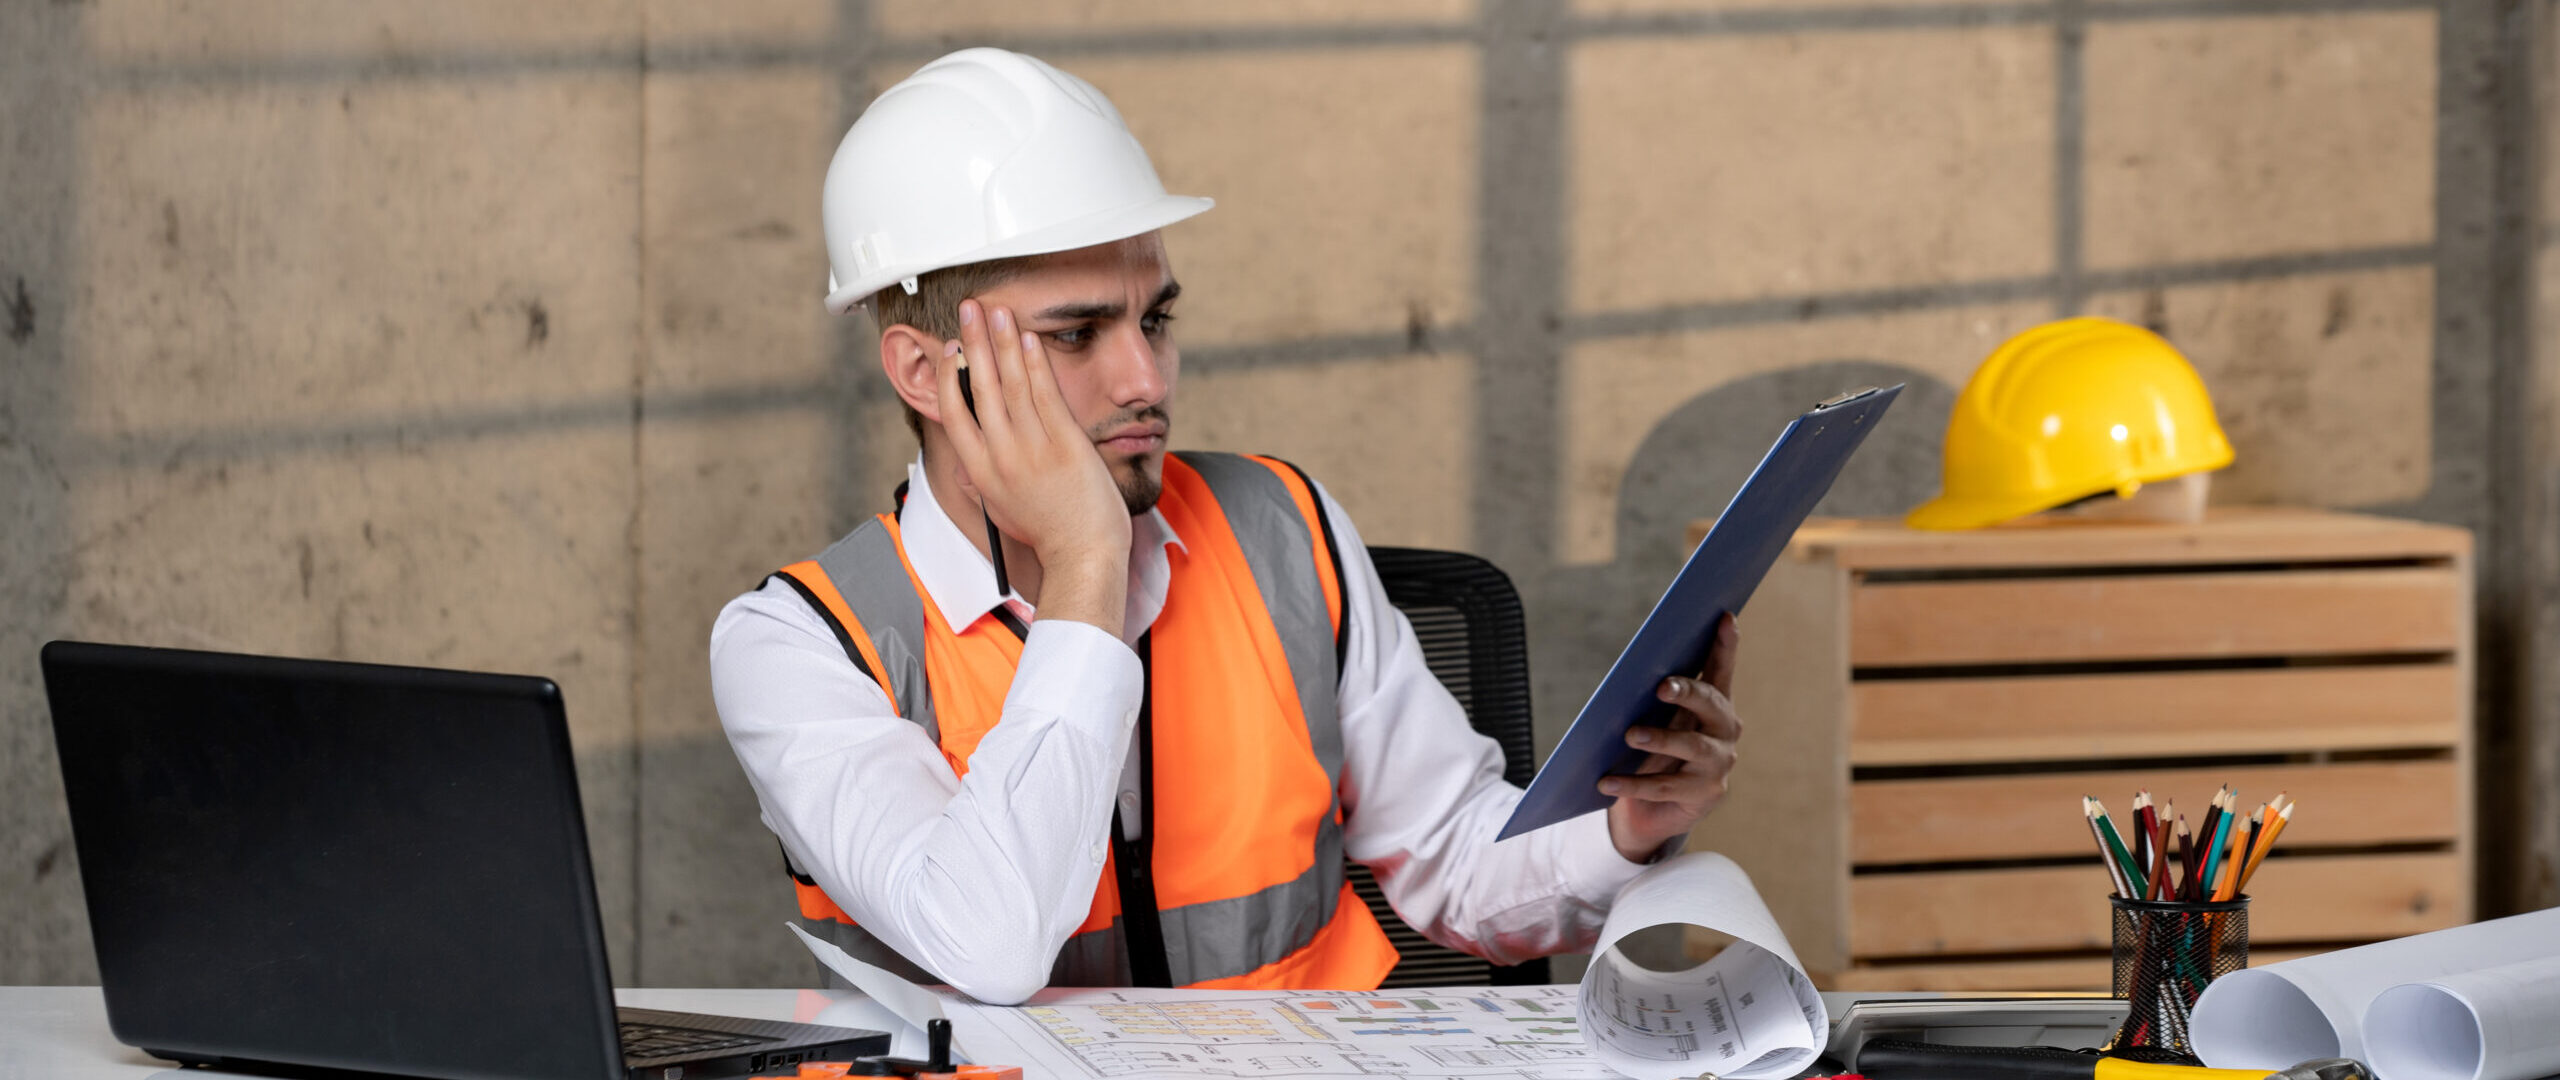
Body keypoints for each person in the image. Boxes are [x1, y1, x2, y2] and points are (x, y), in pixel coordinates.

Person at [709, 48, 1743, 1006]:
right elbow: (988, 946)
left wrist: (1625, 830)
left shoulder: (1282, 528)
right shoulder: (798, 644)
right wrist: (1085, 564)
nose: (1146, 380)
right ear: (927, 372)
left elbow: (1463, 872)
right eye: (1076, 334)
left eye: (1154, 319)